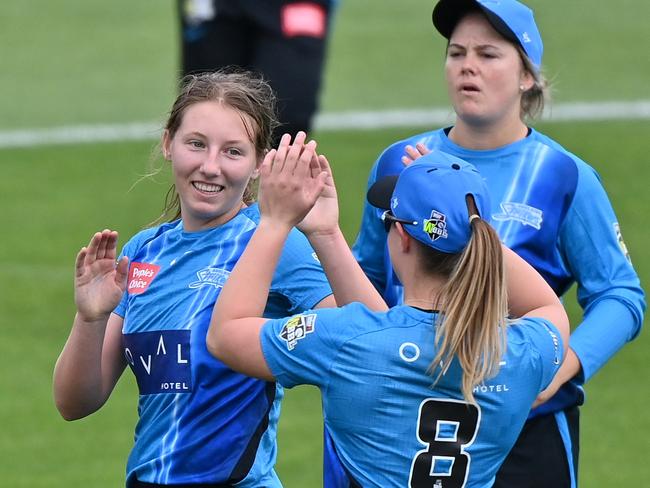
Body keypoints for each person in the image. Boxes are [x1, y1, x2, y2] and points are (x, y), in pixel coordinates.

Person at [352, 0, 646, 486]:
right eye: (456, 52)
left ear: (527, 76)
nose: (468, 65)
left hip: (524, 434)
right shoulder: (398, 166)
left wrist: (556, 372)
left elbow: (620, 295)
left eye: (488, 54)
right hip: (406, 421)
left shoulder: (563, 175)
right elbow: (367, 277)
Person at [206, 146, 570, 488]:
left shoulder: (345, 340)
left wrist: (274, 222)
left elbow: (226, 335)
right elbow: (548, 307)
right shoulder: (525, 352)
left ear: (403, 237)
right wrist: (463, 207)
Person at [52, 71, 335, 487]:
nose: (210, 166)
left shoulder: (272, 241)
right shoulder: (142, 253)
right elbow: (75, 402)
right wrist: (90, 318)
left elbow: (360, 340)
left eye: (233, 152)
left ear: (260, 163)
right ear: (169, 143)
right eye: (196, 144)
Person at [177, 0, 337, 141]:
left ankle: (271, 171)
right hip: (217, 7)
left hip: (296, 4)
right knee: (206, 109)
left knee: (288, 114)